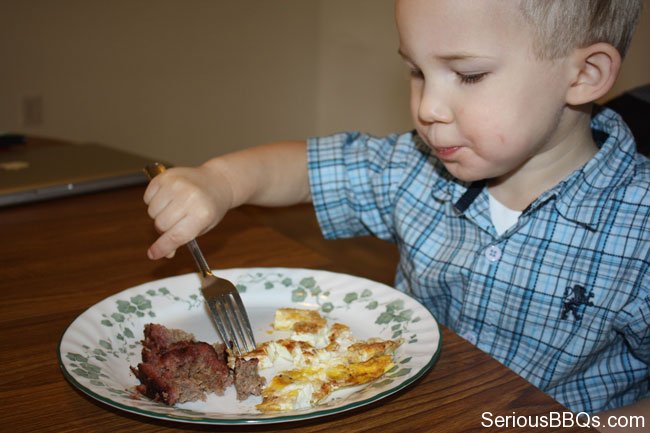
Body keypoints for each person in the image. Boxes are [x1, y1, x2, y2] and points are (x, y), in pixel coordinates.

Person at [143, 0, 649, 420]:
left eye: (468, 75)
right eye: (416, 71)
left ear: (584, 74)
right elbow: (305, 169)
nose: (428, 106)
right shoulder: (413, 167)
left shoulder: (642, 226)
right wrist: (220, 181)